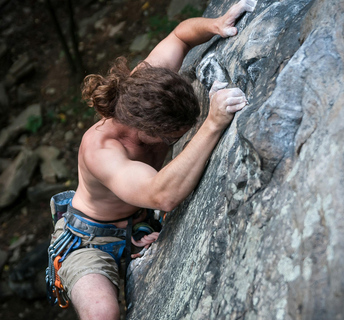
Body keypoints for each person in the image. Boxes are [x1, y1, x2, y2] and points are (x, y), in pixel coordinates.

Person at [47, 1, 257, 319]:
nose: (175, 140)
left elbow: (180, 37)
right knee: (103, 313)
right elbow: (164, 195)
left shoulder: (145, 86)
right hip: (90, 239)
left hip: (139, 219)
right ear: (142, 129)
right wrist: (213, 123)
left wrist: (216, 24)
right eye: (170, 137)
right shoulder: (101, 148)